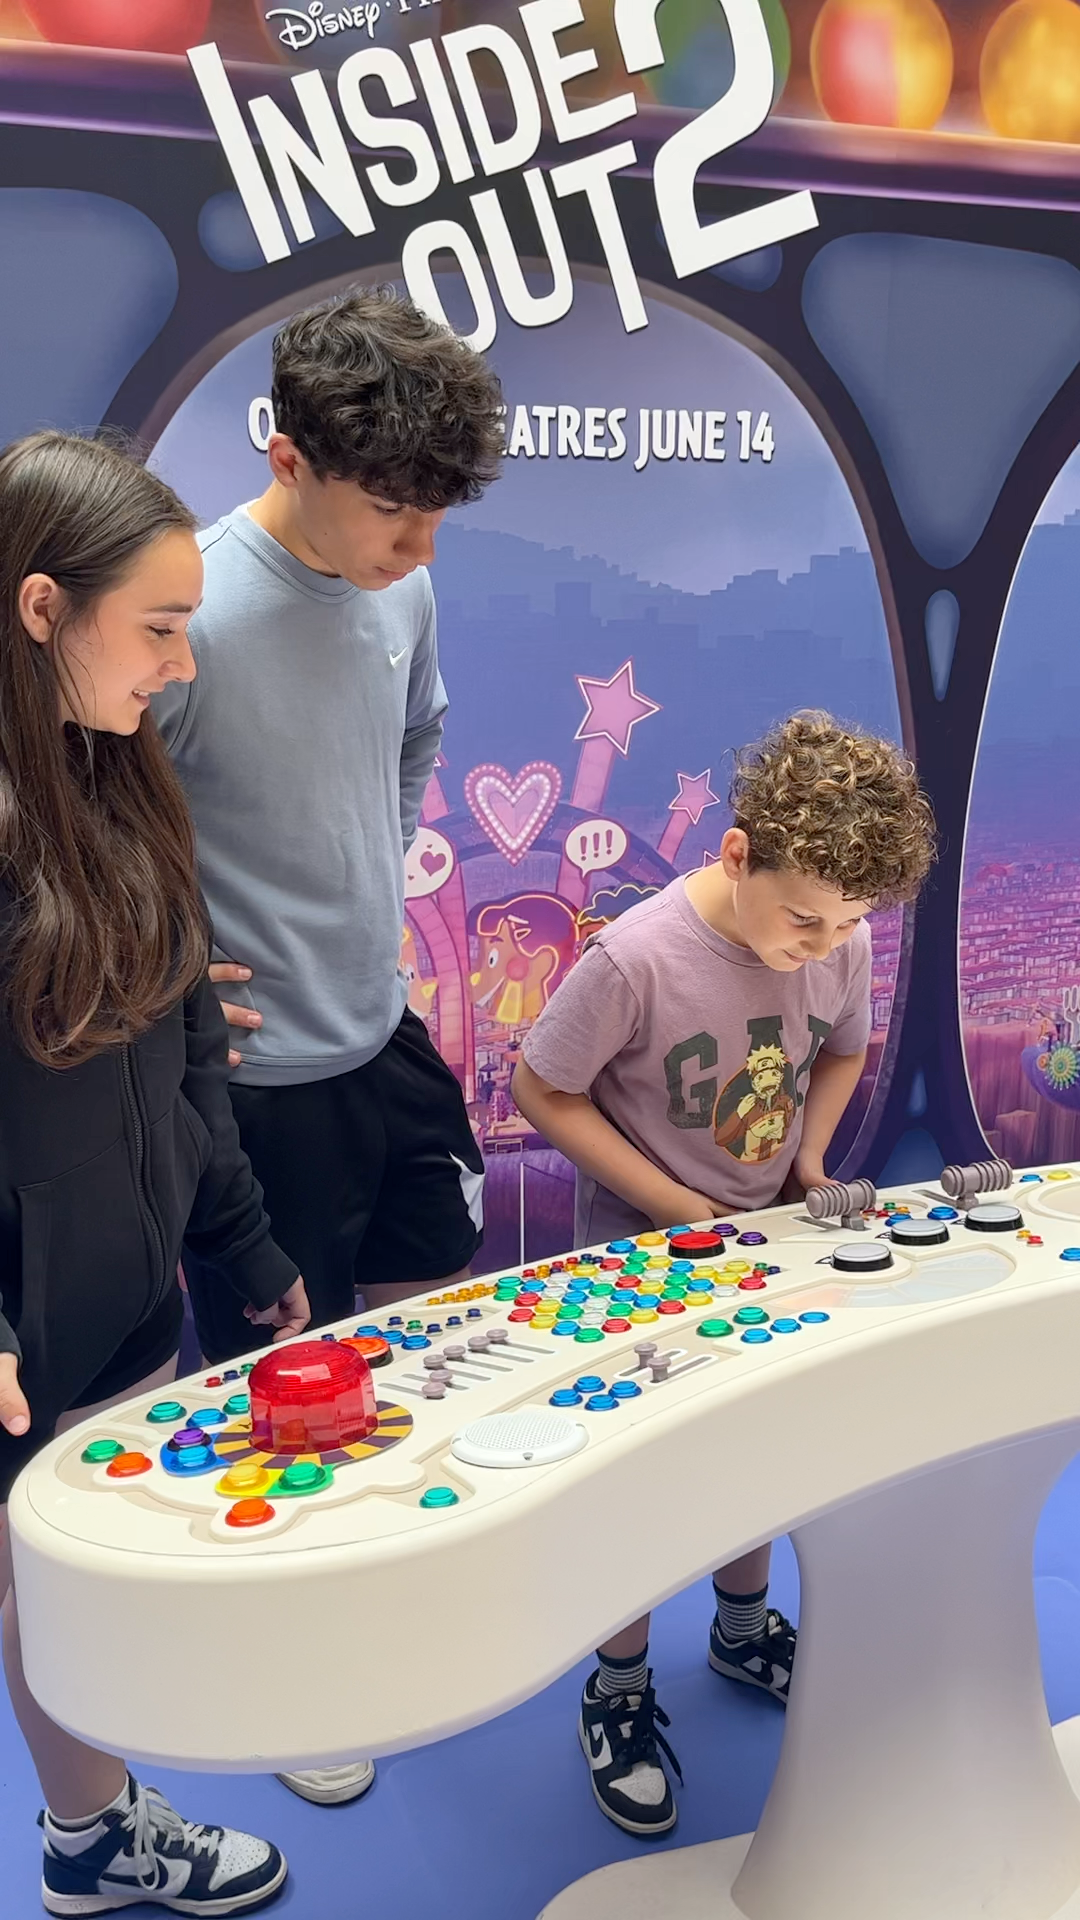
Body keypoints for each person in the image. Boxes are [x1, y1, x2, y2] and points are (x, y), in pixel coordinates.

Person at [153, 284, 504, 1808]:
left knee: (430, 1339)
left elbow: (418, 733)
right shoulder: (190, 613)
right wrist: (173, 971)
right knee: (282, 1390)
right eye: (392, 512)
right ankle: (296, 1673)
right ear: (288, 459)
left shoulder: (404, 589)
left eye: (437, 516)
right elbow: (95, 828)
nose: (417, 549)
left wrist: (380, 856)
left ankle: (402, 1600)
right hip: (252, 1090)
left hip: (385, 1038)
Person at [513, 711, 936, 1836]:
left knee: (754, 1447)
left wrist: (807, 1159)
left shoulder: (838, 939)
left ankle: (743, 1629)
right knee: (640, 1476)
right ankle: (616, 1685)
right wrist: (668, 1202)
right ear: (738, 854)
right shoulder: (636, 957)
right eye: (804, 920)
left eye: (851, 923)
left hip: (764, 1246)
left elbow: (843, 1046)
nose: (825, 944)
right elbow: (541, 1087)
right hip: (638, 1261)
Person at [0, 432, 310, 1914]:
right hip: (20, 1330)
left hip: (131, 1297)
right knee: (36, 1597)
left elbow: (192, 1047)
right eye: (161, 630)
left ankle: (101, 1818)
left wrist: (241, 1243)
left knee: (102, 1579)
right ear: (42, 608)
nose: (180, 668)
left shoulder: (121, 782)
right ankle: (93, 1834)